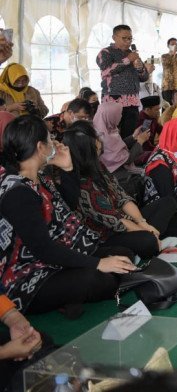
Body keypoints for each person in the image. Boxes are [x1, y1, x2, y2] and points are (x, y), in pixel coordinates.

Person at [0, 115, 136, 315]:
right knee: (100, 280)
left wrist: (68, 168)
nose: (54, 143)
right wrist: (99, 264)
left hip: (54, 257)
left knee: (124, 255)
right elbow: (43, 249)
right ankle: (69, 296)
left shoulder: (38, 176)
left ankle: (71, 296)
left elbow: (66, 207)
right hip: (26, 275)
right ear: (40, 147)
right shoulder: (17, 192)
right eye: (50, 139)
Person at [57, 122, 177, 260]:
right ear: (87, 147)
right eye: (95, 136)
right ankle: (152, 244)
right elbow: (116, 221)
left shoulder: (97, 165)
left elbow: (122, 197)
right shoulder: (81, 185)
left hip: (124, 220)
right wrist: (147, 231)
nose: (99, 139)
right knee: (147, 240)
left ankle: (151, 244)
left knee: (168, 203)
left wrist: (142, 222)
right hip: (107, 236)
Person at [96, 25, 149, 138]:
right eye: (124, 38)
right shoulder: (106, 52)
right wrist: (127, 60)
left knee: (131, 135)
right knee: (112, 135)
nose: (128, 41)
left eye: (130, 38)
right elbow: (106, 70)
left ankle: (129, 150)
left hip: (132, 101)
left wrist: (140, 69)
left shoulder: (133, 54)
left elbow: (144, 77)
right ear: (114, 37)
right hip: (113, 99)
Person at [94, 101, 150, 198]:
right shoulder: (102, 138)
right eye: (119, 114)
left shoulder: (107, 129)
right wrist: (140, 142)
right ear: (111, 116)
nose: (121, 116)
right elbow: (126, 160)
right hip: (116, 176)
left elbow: (118, 146)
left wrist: (133, 137)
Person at [160, 38, 177, 105]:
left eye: (176, 44)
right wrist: (173, 53)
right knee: (167, 107)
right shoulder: (164, 56)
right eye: (172, 44)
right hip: (168, 87)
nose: (174, 46)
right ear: (168, 46)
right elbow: (166, 64)